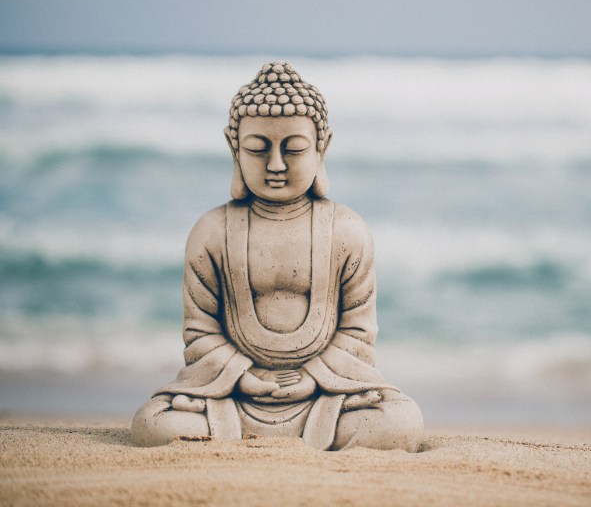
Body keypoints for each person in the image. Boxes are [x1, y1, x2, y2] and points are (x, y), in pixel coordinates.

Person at [131, 61, 423, 451]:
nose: (276, 165)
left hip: (325, 395)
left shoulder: (348, 231)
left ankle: (255, 437)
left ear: (323, 147)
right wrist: (242, 376)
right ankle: (258, 433)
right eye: (257, 149)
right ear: (233, 147)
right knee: (153, 423)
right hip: (234, 396)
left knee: (399, 422)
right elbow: (200, 331)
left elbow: (358, 331)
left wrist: (314, 376)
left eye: (294, 149)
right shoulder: (211, 232)